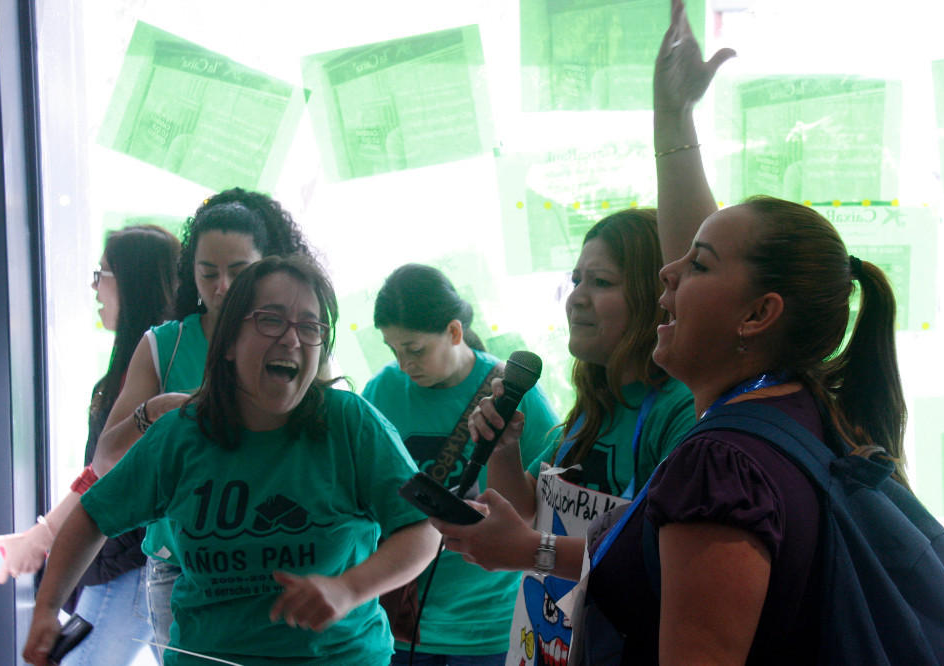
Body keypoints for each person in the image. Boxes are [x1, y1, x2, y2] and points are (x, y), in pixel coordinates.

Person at [583, 2, 906, 662]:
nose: (667, 274)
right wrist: (673, 117)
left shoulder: (723, 465)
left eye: (696, 265)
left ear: (759, 316)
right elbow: (711, 250)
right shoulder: (804, 409)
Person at [23, 254, 441, 666]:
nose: (293, 339)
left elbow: (423, 527)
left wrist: (349, 589)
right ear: (228, 343)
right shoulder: (181, 435)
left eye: (310, 326)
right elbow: (94, 515)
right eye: (272, 320)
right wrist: (46, 609)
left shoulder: (351, 423)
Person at [14, 187, 313, 660]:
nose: (220, 287)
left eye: (238, 271)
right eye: (207, 271)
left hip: (275, 558)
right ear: (188, 272)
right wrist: (155, 410)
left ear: (267, 268)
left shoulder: (295, 342)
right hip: (179, 562)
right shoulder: (165, 344)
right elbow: (106, 460)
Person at [431, 207, 699, 665]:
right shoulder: (590, 407)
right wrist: (505, 449)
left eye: (601, 282)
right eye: (576, 280)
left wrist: (534, 552)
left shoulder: (680, 408)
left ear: (656, 295)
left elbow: (662, 558)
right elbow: (527, 510)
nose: (576, 298)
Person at [0, 224, 179, 665]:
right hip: (127, 560)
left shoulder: (144, 373)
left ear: (131, 280)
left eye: (102, 272)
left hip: (127, 562)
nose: (95, 286)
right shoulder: (143, 365)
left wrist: (43, 535)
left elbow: (104, 475)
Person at [362, 264, 560, 665]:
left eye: (414, 349)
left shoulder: (513, 392)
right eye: (393, 350)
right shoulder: (382, 390)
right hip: (403, 618)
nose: (404, 364)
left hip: (489, 623)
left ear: (454, 332)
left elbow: (550, 501)